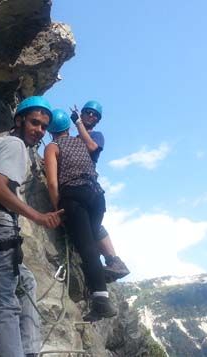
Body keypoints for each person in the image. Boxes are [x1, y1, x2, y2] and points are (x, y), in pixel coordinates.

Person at [0, 96, 64, 357]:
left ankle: (29, 351)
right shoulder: (16, 146)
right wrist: (38, 217)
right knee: (7, 305)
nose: (39, 130)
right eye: (34, 123)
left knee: (26, 281)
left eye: (43, 126)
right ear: (19, 120)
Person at [43, 109, 118, 322]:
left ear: (51, 131)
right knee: (88, 244)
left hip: (74, 196)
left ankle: (101, 301)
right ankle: (98, 294)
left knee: (86, 249)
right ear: (67, 127)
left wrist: (58, 207)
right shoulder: (81, 144)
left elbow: (51, 182)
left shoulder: (52, 147)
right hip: (97, 197)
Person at [70, 100, 130, 282]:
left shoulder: (97, 135)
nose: (91, 116)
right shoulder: (73, 140)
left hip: (89, 188)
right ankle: (105, 263)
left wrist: (78, 123)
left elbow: (91, 148)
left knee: (92, 227)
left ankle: (113, 261)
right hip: (76, 186)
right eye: (88, 112)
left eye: (94, 115)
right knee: (88, 226)